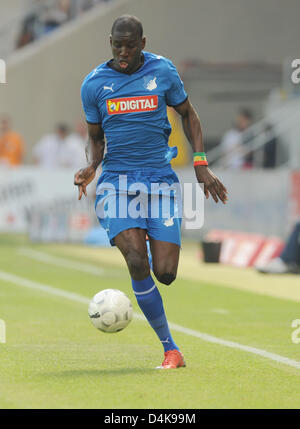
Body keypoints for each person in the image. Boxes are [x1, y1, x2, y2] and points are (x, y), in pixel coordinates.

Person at [74, 15, 228, 369]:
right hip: (117, 181)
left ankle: (141, 232)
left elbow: (188, 114)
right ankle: (170, 349)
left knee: (166, 273)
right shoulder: (94, 84)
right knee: (136, 259)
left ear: (143, 43)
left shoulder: (163, 72)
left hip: (159, 180)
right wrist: (92, 166)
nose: (123, 52)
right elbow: (96, 137)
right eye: (117, 45)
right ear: (109, 43)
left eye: (130, 45)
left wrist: (201, 164)